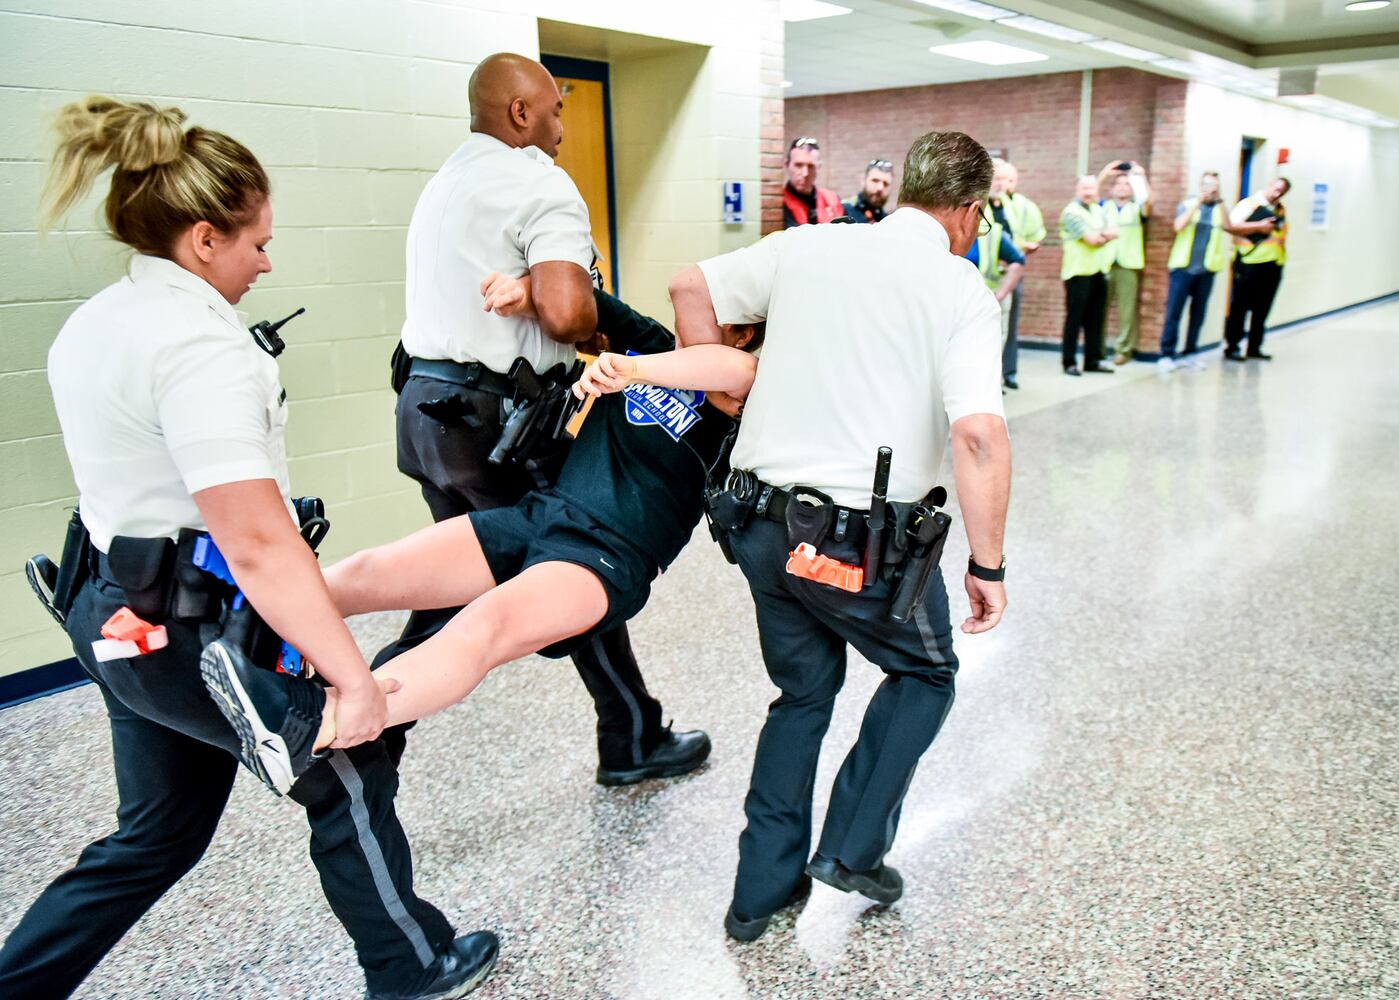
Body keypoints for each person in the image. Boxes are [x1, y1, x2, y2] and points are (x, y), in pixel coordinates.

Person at [0, 96, 496, 1000]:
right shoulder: (197, 345)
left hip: (112, 613)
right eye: (256, 243)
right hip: (185, 630)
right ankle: (412, 967)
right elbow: (259, 544)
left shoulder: (98, 322)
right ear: (200, 240)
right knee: (345, 766)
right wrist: (350, 677)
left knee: (154, 835)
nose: (266, 262)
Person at [197, 282, 761, 803]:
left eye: (705, 315)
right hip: (543, 515)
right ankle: (225, 643)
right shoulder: (653, 344)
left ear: (743, 330)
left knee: (480, 629)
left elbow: (733, 368)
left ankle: (309, 727)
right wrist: (527, 290)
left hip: (604, 557)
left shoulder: (737, 404)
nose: (685, 321)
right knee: (371, 571)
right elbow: (589, 301)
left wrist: (632, 371)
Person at [669, 130, 1011, 942]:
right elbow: (978, 439)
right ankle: (853, 853)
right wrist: (988, 565)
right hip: (856, 543)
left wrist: (722, 390)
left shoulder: (807, 246)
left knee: (803, 694)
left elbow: (690, 284)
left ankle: (759, 892)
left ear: (902, 192)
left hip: (754, 523)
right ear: (969, 210)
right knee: (926, 673)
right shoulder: (960, 286)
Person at [386, 51, 709, 786]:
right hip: (495, 424)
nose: (563, 125)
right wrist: (547, 293)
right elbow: (569, 314)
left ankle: (369, 710)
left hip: (424, 414)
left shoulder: (445, 183)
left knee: (467, 578)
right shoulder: (539, 183)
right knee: (571, 562)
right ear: (522, 113)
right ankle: (361, 730)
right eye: (556, 110)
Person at [1158, 171, 1251, 372]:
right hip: (1182, 269)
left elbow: (1229, 227)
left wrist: (1221, 202)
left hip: (1206, 271)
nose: (1211, 189)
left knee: (1198, 315)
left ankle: (1191, 352)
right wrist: (1198, 202)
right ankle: (1166, 354)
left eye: (1215, 185)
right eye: (1207, 185)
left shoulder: (1219, 209)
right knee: (1174, 312)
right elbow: (1178, 226)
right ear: (1200, 186)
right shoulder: (1188, 204)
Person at [992, 160, 1046, 390]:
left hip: (1010, 272)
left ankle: (1008, 372)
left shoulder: (1015, 205)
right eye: (997, 178)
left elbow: (1016, 235)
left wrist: (1018, 249)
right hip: (987, 274)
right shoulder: (980, 204)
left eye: (1006, 179)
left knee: (1008, 326)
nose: (1001, 184)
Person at [1224, 177, 1290, 361]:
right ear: (1269, 185)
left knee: (1262, 310)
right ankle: (1233, 346)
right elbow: (1230, 226)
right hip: (1249, 263)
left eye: (1282, 192)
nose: (1277, 194)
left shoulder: (1280, 209)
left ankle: (1254, 347)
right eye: (1276, 189)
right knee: (1240, 308)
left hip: (1273, 264)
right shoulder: (1249, 204)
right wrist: (1259, 227)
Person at [1058, 174, 1118, 376]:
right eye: (1085, 188)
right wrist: (1104, 235)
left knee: (1096, 319)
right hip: (1077, 273)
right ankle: (1069, 362)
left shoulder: (1097, 209)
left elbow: (1113, 231)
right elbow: (1092, 239)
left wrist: (1104, 235)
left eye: (1092, 188)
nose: (1088, 192)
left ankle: (1093, 360)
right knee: (1074, 320)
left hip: (1098, 271)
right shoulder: (1071, 212)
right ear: (1077, 189)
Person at [1096, 161, 1152, 365]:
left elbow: (1148, 200)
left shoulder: (1137, 208)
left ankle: (1123, 350)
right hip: (1105, 263)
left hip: (1128, 265)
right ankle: (1098, 349)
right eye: (1118, 184)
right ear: (1111, 189)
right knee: (1099, 309)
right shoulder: (1103, 206)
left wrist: (1141, 176)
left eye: (1126, 184)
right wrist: (1105, 173)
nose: (1122, 187)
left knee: (1126, 311)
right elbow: (1092, 191)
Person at [965, 211, 1027, 383]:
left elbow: (1018, 261)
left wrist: (1000, 293)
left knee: (990, 346)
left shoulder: (994, 234)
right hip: (960, 303)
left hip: (987, 301)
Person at [783, 136, 845, 227]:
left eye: (811, 166)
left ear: (818, 167)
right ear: (787, 165)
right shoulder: (777, 204)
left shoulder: (833, 199)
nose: (805, 173)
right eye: (798, 165)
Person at [841, 158, 893, 223]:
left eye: (886, 184)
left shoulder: (887, 220)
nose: (880, 188)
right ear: (863, 181)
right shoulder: (843, 210)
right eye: (875, 180)